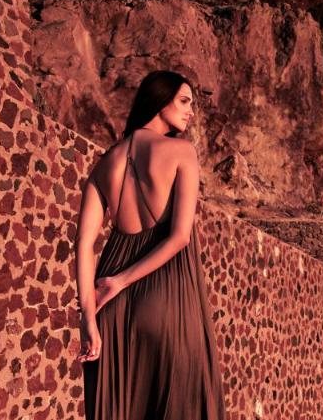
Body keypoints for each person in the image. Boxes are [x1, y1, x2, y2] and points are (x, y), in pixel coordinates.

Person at [76, 70, 225, 420]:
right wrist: (122, 281)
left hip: (109, 310)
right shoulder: (181, 152)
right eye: (184, 101)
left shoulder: (105, 164)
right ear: (160, 100)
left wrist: (87, 318)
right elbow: (180, 237)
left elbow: (83, 243)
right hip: (167, 298)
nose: (190, 111)